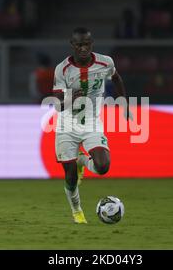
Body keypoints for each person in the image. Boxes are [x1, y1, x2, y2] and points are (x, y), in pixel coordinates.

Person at [52, 27, 130, 224]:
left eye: (87, 44)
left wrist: (123, 102)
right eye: (79, 45)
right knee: (69, 176)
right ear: (73, 46)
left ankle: (82, 161)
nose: (83, 48)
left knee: (103, 166)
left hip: (92, 123)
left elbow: (117, 78)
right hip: (67, 125)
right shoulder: (62, 69)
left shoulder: (106, 62)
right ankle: (77, 211)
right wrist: (70, 98)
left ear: (91, 44)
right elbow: (57, 103)